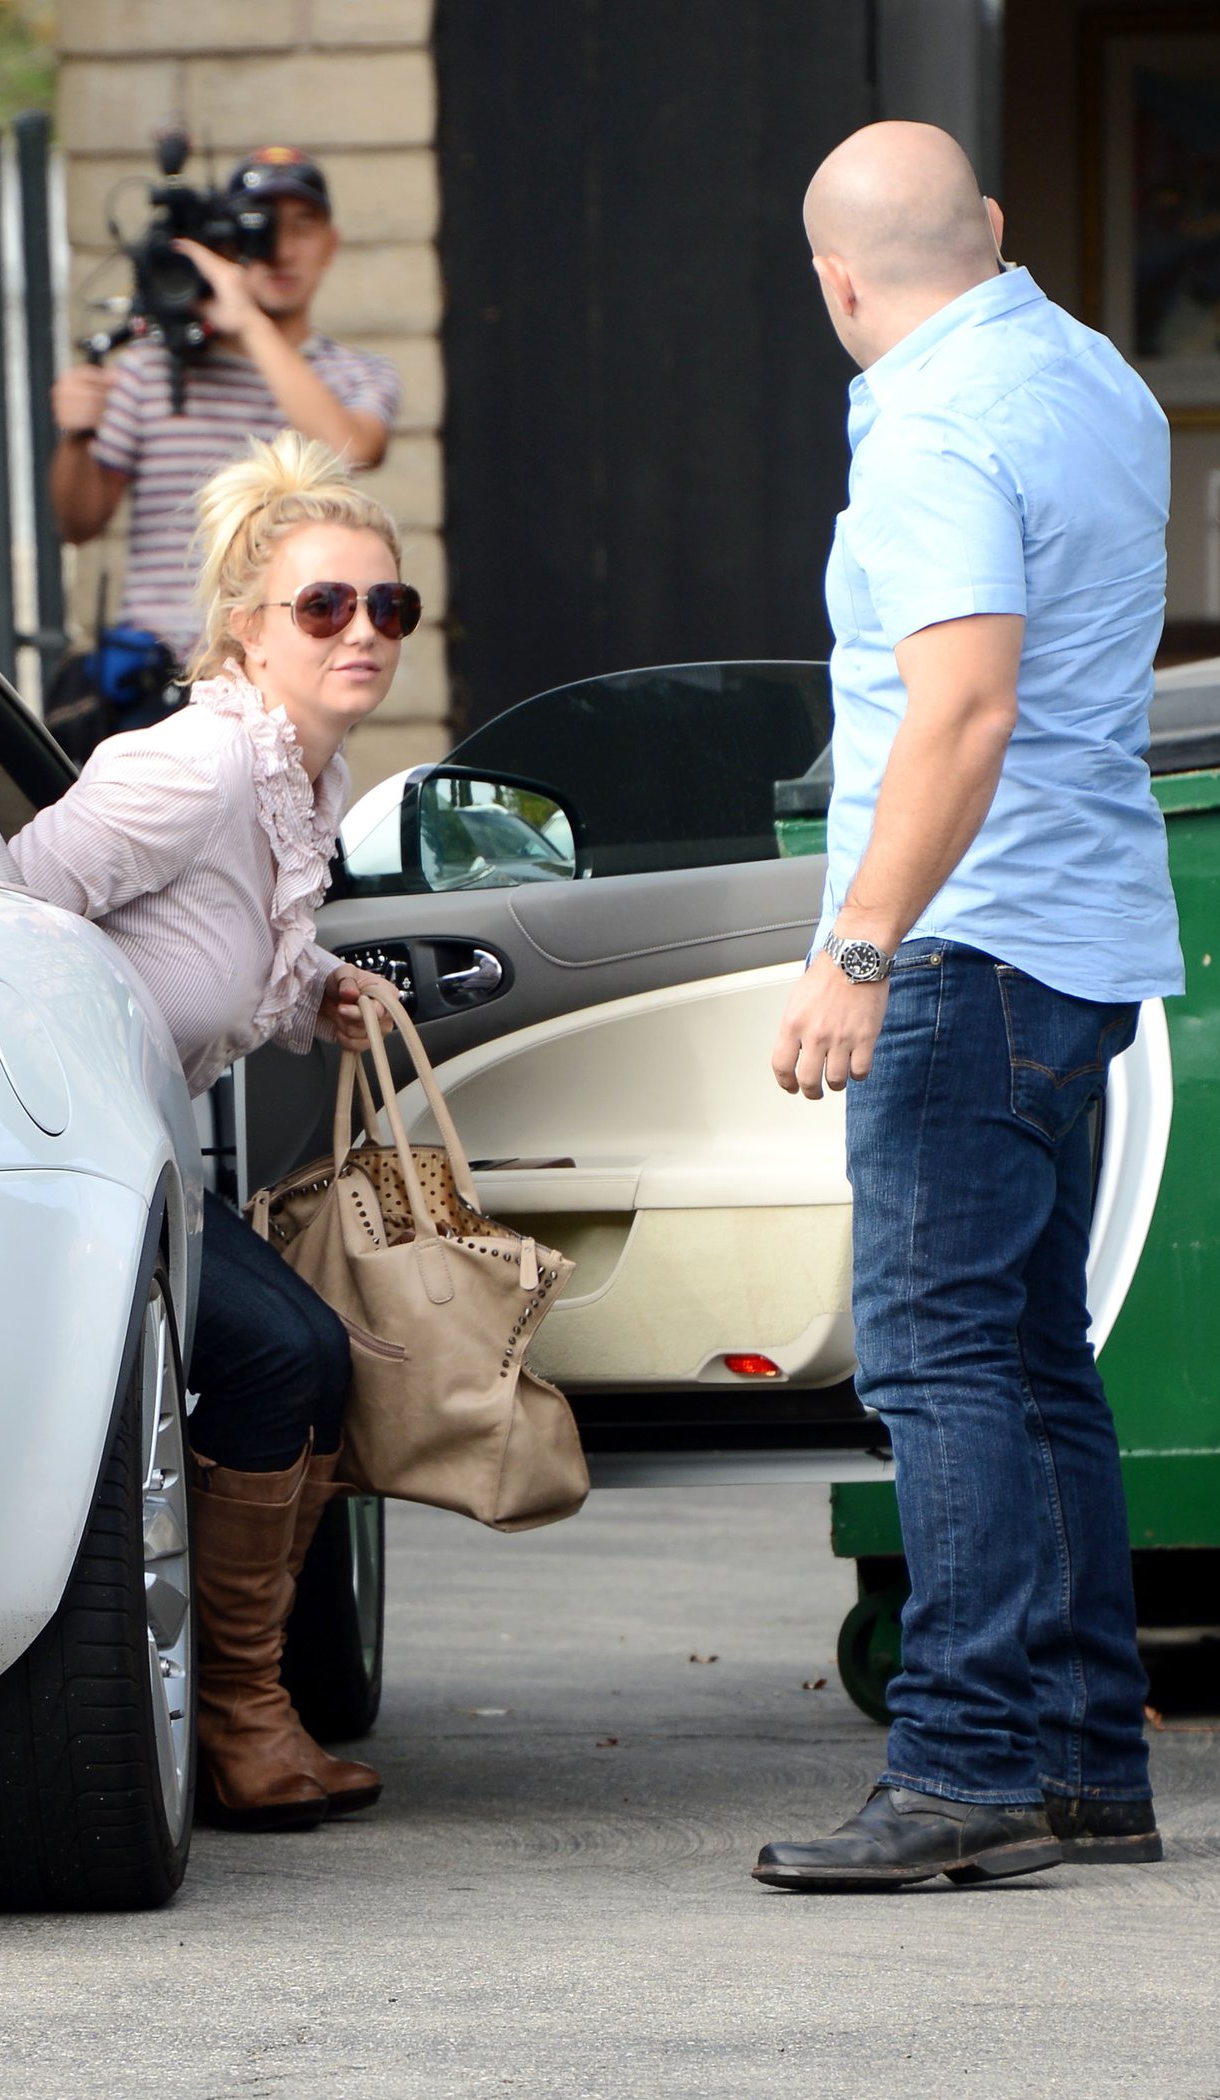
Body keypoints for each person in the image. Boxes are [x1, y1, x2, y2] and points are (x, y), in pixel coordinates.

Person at [755, 122, 1182, 1891]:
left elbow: (960, 708)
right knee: (1029, 1362)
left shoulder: (929, 428)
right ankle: (1085, 1765)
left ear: (836, 282)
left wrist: (856, 944)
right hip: (1077, 939)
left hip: (965, 943)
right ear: (991, 232)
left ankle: (960, 1762)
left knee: (936, 1367)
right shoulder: (1091, 379)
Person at [0, 431, 421, 1830]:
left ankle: (243, 1711)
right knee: (287, 1352)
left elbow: (223, 950)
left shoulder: (303, 776)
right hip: (70, 1145)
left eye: (388, 607)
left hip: (139, 1145)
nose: (363, 633)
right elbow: (12, 900)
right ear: (245, 629)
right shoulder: (193, 770)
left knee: (301, 1358)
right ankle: (241, 1719)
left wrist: (320, 991)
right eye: (324, 606)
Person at [49, 145, 400, 689]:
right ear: (224, 244)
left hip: (289, 677)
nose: (281, 249)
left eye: (303, 227)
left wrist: (249, 323)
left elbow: (351, 448)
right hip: (156, 676)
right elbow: (78, 523)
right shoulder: (149, 369)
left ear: (331, 245)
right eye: (259, 228)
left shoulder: (356, 374)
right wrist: (76, 434)